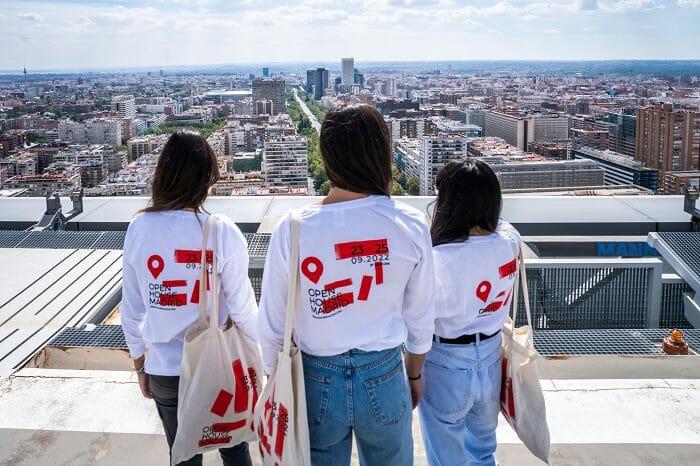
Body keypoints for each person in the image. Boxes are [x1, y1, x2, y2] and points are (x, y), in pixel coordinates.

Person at [258, 105, 435, 466]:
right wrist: (413, 373)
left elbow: (273, 326)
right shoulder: (410, 225)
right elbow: (421, 320)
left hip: (314, 376)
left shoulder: (292, 228)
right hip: (384, 371)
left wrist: (275, 382)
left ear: (327, 157)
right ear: (381, 153)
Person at [120, 131, 258, 466]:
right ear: (205, 180)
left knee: (182, 454)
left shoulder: (140, 228)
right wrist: (263, 359)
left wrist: (140, 363)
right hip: (220, 364)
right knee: (235, 446)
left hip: (165, 368)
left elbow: (132, 310)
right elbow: (243, 310)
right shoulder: (221, 230)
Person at [418, 159, 522, 466]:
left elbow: (419, 319)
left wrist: (412, 372)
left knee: (446, 457)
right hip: (491, 358)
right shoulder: (509, 242)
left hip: (446, 362)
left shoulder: (438, 258)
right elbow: (502, 224)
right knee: (483, 451)